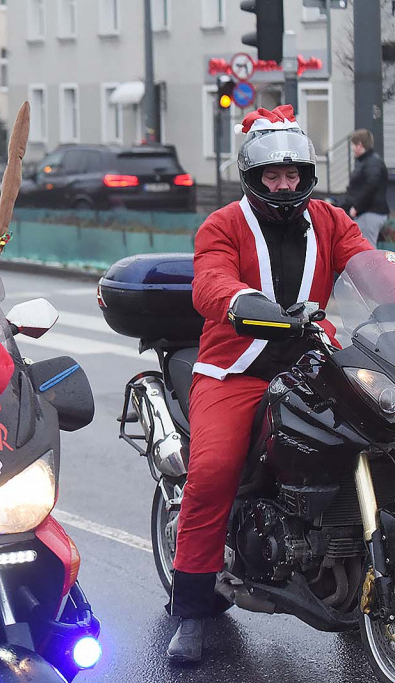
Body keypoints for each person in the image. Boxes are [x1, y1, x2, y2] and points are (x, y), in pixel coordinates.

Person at [165, 106, 373, 663]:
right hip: (237, 367)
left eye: (293, 176)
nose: (284, 185)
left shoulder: (331, 220)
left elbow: (368, 267)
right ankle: (189, 609)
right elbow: (210, 282)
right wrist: (242, 303)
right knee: (212, 473)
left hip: (315, 363)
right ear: (252, 178)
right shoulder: (223, 224)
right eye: (272, 176)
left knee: (379, 435)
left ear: (306, 177)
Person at [342, 128, 389, 247]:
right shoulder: (368, 161)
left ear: (359, 145)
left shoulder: (372, 162)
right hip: (368, 212)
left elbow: (372, 184)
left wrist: (357, 207)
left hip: (370, 213)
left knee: (367, 249)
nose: (352, 149)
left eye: (353, 145)